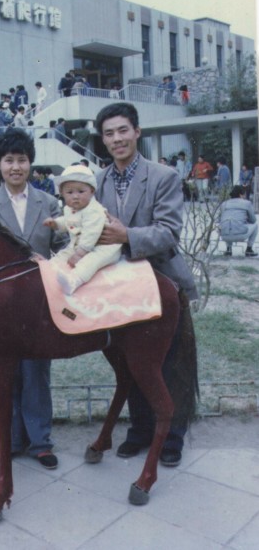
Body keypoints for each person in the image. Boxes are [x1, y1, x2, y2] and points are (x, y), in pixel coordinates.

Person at [94, 102, 198, 467]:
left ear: (137, 132)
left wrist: (126, 235)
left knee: (170, 362)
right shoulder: (97, 181)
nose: (117, 139)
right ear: (103, 139)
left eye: (123, 130)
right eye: (109, 133)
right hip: (120, 287)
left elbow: (168, 233)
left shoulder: (163, 176)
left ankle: (172, 437)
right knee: (131, 360)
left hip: (162, 282)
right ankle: (140, 430)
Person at [0, 128, 67, 469]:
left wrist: (52, 263)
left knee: (36, 371)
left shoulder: (49, 203)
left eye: (22, 160)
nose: (16, 167)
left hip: (39, 303)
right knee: (5, 372)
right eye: (8, 160)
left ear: (31, 163)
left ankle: (41, 442)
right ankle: (12, 439)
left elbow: (65, 246)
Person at [44, 165, 121, 295]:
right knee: (62, 255)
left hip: (103, 247)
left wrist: (80, 254)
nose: (75, 196)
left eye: (81, 192)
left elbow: (91, 233)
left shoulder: (94, 210)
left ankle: (74, 281)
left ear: (92, 191)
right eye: (69, 192)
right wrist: (56, 224)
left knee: (90, 262)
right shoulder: (69, 209)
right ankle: (49, 270)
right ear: (62, 193)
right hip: (79, 245)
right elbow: (68, 221)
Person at [219, 185, 257, 257]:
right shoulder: (247, 203)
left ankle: (228, 249)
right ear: (240, 194)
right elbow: (253, 220)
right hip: (241, 235)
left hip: (224, 236)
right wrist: (246, 219)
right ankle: (249, 249)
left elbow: (220, 219)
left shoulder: (224, 204)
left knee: (227, 224)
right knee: (255, 226)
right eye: (244, 194)